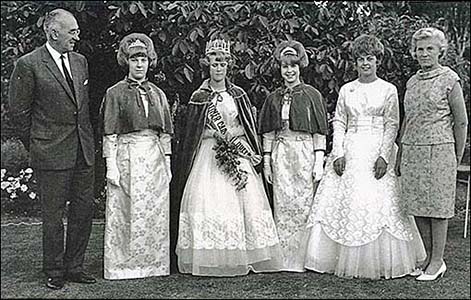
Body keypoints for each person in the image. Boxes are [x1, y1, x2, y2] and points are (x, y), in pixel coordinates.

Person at [304, 34, 426, 279]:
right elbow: (339, 121)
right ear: (355, 63)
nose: (365, 64)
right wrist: (338, 151)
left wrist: (384, 154)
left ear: (377, 61)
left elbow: (392, 123)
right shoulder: (347, 89)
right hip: (351, 145)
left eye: (370, 59)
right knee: (346, 198)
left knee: (376, 200)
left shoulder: (388, 89)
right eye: (360, 59)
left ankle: (378, 259)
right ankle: (333, 256)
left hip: (377, 146)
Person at [174, 38, 282, 276]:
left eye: (223, 64)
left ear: (228, 66)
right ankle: (211, 255)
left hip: (237, 149)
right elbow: (193, 131)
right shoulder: (199, 97)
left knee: (244, 197)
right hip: (208, 152)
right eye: (214, 64)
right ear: (208, 65)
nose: (219, 68)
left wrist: (233, 135)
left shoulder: (238, 94)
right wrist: (213, 133)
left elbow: (247, 126)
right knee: (208, 198)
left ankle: (246, 253)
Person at [8, 8, 96, 289]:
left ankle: (75, 267)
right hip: (50, 152)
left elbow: (82, 108)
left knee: (83, 211)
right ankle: (54, 270)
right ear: (53, 33)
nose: (77, 37)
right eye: (73, 32)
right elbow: (18, 111)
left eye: (77, 31)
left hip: (83, 150)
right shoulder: (29, 63)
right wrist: (37, 144)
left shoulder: (81, 61)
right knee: (53, 216)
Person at [395, 27, 468, 281]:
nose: (424, 53)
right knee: (417, 206)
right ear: (414, 52)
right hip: (413, 149)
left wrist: (456, 155)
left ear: (440, 51)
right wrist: (399, 152)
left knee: (437, 208)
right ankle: (428, 257)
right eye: (420, 49)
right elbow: (408, 120)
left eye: (429, 48)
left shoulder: (450, 79)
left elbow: (461, 122)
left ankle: (437, 262)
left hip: (440, 150)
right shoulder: (412, 81)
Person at [100, 33, 174, 280]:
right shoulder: (115, 93)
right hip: (127, 155)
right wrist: (111, 164)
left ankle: (154, 264)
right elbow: (110, 132)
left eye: (143, 59)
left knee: (153, 210)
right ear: (127, 62)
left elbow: (164, 133)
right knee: (126, 210)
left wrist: (168, 162)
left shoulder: (158, 93)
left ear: (149, 61)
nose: (139, 64)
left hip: (153, 158)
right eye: (134, 60)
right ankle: (123, 266)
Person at [258, 40, 328, 272]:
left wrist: (319, 161)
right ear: (280, 69)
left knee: (305, 204)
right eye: (284, 67)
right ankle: (284, 258)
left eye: (293, 66)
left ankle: (306, 258)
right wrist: (267, 161)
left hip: (304, 153)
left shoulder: (312, 95)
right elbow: (268, 132)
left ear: (300, 67)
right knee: (283, 204)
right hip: (282, 154)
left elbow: (319, 132)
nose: (289, 71)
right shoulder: (273, 97)